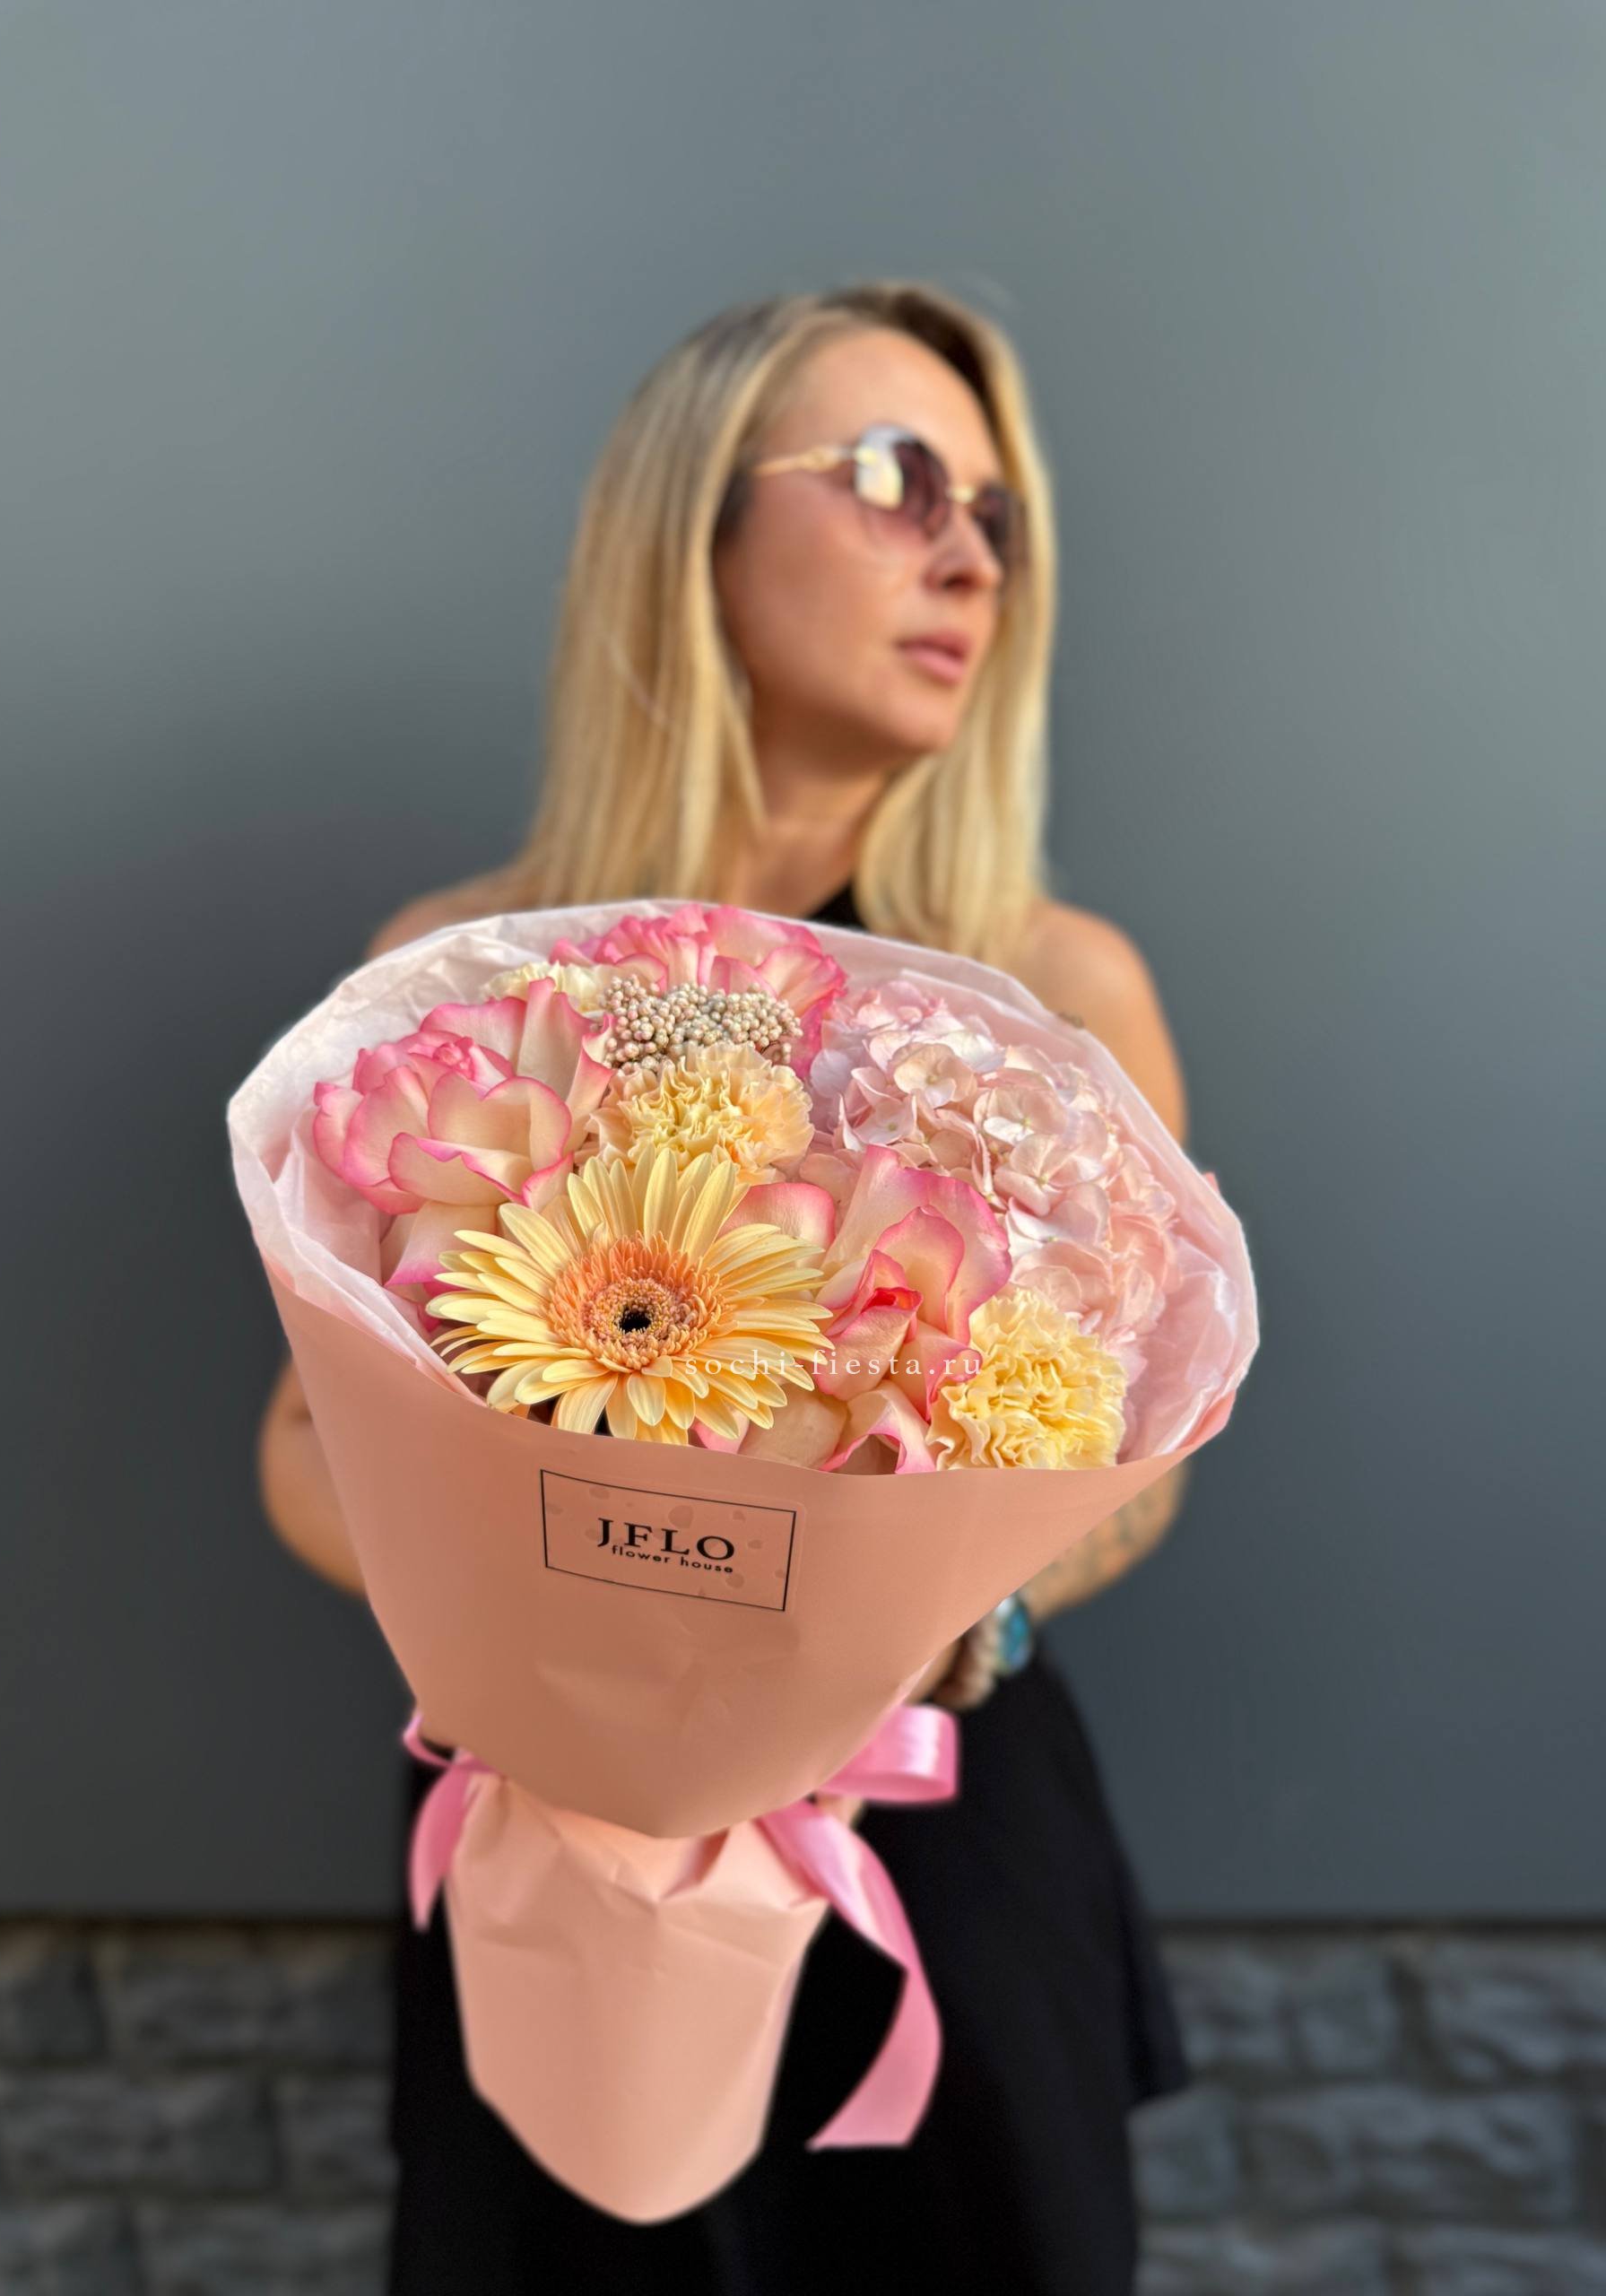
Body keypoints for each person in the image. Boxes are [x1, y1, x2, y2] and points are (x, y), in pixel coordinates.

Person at [257, 278, 1198, 2295]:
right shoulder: (462, 985)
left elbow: (1139, 1463)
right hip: (557, 1848)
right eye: (896, 477)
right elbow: (305, 1448)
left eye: (997, 514)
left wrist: (935, 1624)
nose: (971, 553)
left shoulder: (1053, 992)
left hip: (935, 1857)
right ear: (694, 522)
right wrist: (557, 1623)